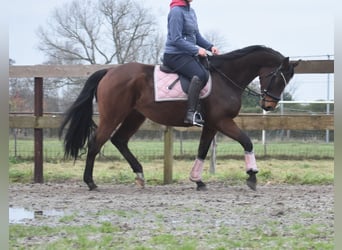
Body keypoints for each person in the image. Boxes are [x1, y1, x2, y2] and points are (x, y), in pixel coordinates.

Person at [163, 0, 219, 127]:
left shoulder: (191, 11)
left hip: (187, 54)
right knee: (200, 74)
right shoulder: (176, 12)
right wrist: (196, 49)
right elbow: (175, 39)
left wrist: (210, 47)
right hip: (174, 55)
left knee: (207, 71)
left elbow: (196, 36)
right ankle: (191, 114)